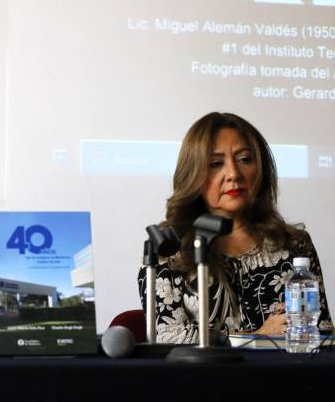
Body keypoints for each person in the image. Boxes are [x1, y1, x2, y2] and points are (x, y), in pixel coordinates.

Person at [138, 112, 332, 343]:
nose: (233, 174)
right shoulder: (168, 249)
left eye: (245, 159)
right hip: (203, 378)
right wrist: (257, 337)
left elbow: (322, 329)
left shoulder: (294, 244)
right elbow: (169, 339)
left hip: (288, 375)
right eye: (216, 164)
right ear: (194, 175)